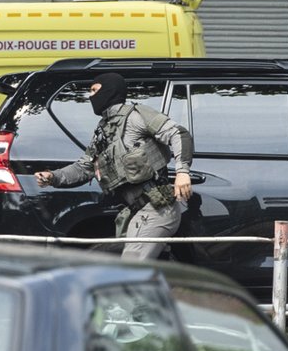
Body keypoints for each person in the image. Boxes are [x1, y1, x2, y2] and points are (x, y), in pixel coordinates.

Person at [34, 73, 193, 260]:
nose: (90, 96)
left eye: (94, 90)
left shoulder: (137, 116)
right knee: (149, 271)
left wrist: (183, 172)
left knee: (131, 268)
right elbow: (84, 168)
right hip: (135, 212)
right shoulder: (103, 131)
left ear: (110, 89)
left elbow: (178, 133)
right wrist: (53, 177)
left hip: (157, 208)